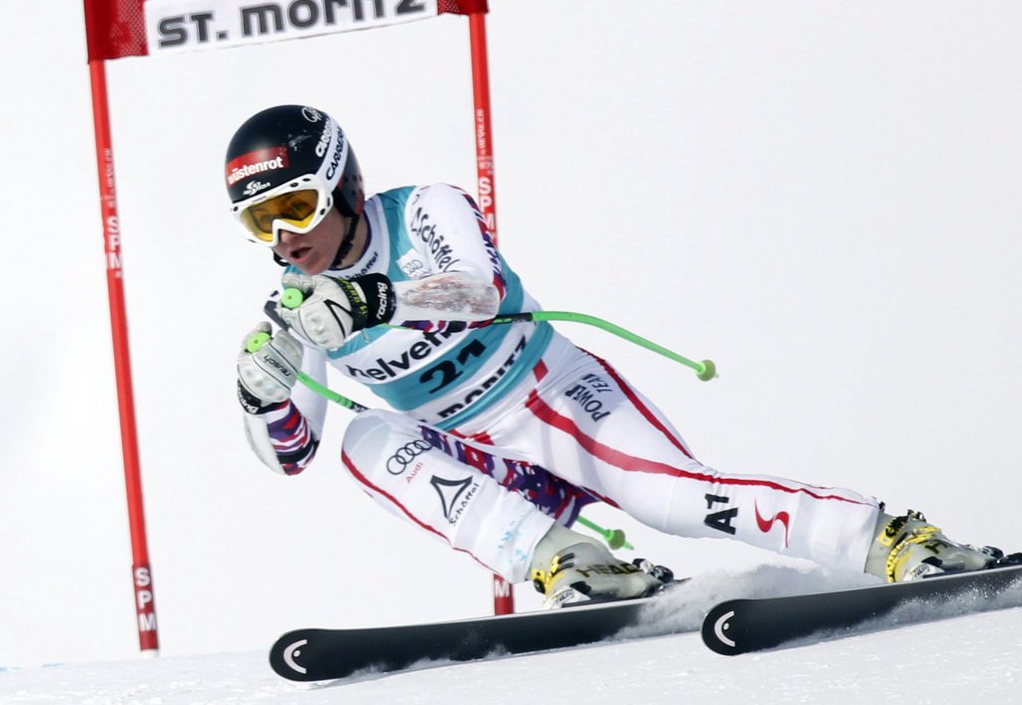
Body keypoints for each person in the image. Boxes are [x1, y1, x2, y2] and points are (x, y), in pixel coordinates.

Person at [228, 104, 1008, 608]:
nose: (285, 239)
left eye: (296, 206)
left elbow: (481, 291)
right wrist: (263, 396)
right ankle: (571, 560)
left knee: (677, 502)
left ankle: (890, 540)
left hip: (554, 400)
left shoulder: (426, 209)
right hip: (481, 460)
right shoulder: (297, 307)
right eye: (261, 222)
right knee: (366, 440)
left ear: (344, 186)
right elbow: (292, 456)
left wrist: (377, 300)